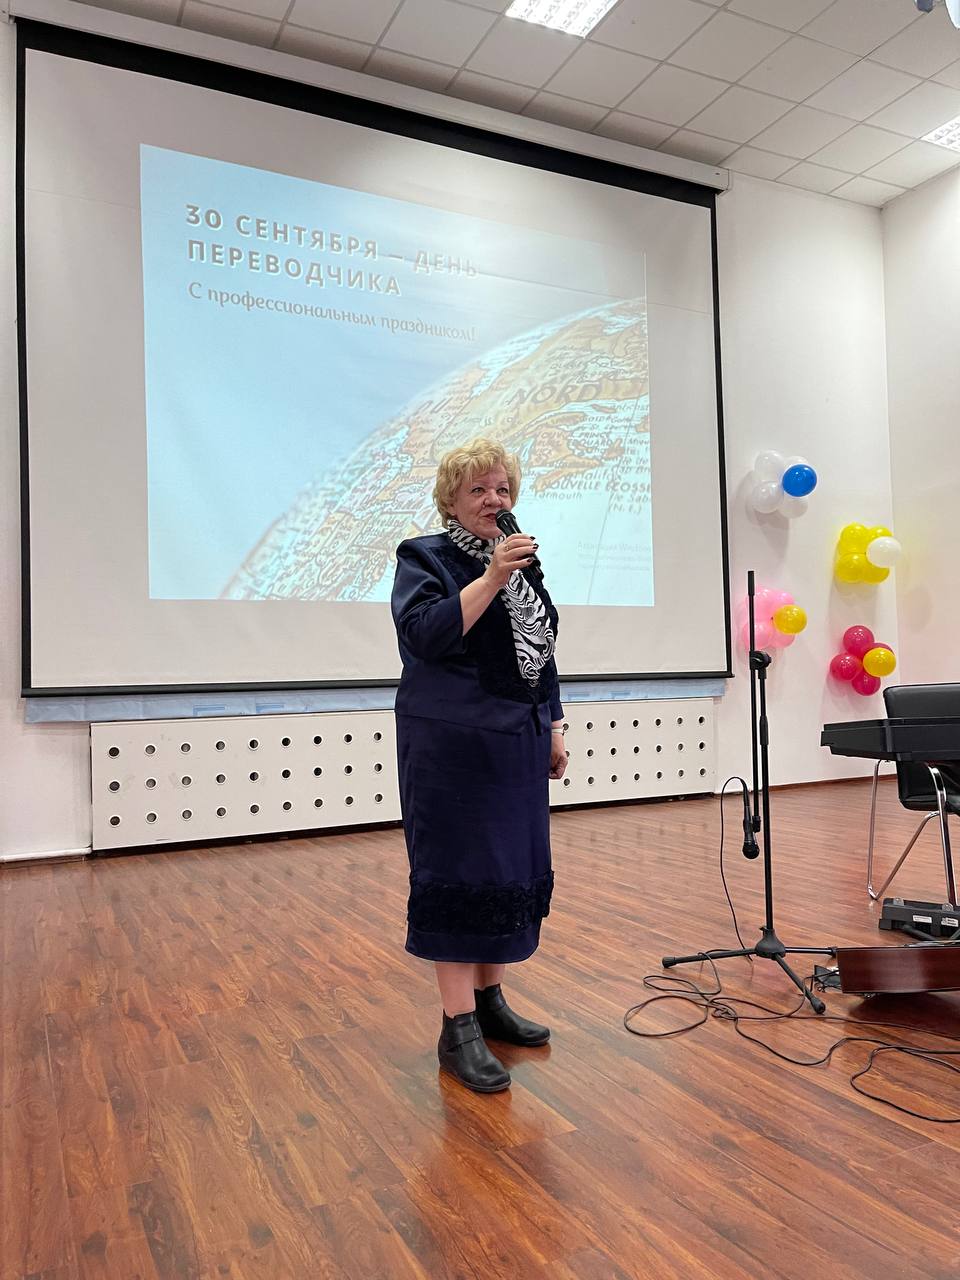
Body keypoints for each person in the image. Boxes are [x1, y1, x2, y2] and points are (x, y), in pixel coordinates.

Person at [391, 438, 568, 1093]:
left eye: (502, 489)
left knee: (507, 871)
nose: (494, 499)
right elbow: (423, 637)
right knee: (460, 875)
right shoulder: (424, 557)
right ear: (451, 499)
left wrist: (554, 724)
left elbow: (539, 650)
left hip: (517, 741)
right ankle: (457, 1027)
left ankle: (491, 1003)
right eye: (479, 490)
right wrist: (491, 577)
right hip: (452, 746)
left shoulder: (524, 563)